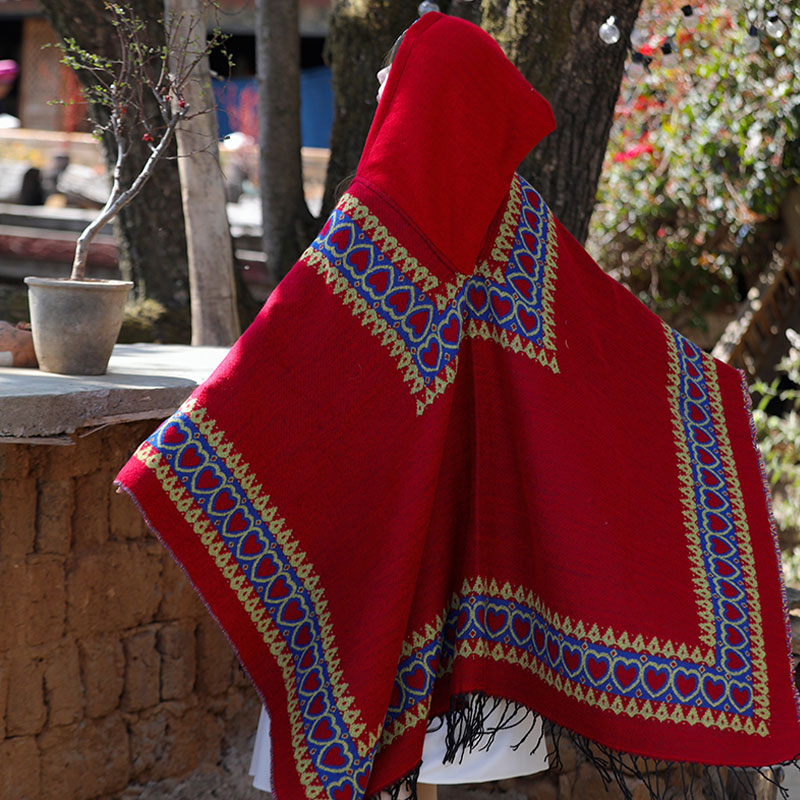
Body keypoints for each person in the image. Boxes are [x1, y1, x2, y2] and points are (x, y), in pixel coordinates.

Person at [116, 11, 800, 800]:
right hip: (493, 643)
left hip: (373, 605)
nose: (383, 98)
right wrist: (707, 397)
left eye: (396, 84)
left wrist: (190, 451)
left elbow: (287, 372)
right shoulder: (524, 234)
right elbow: (615, 358)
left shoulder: (374, 232)